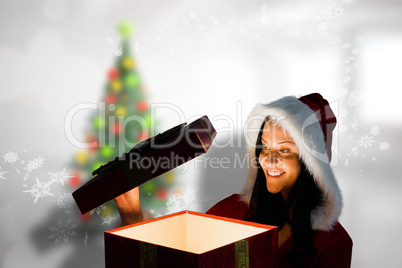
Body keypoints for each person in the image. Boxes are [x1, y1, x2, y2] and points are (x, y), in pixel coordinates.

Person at [115, 93, 353, 267]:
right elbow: (176, 257)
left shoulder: (333, 243)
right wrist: (132, 214)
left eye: (284, 151)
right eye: (264, 147)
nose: (268, 160)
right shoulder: (232, 209)